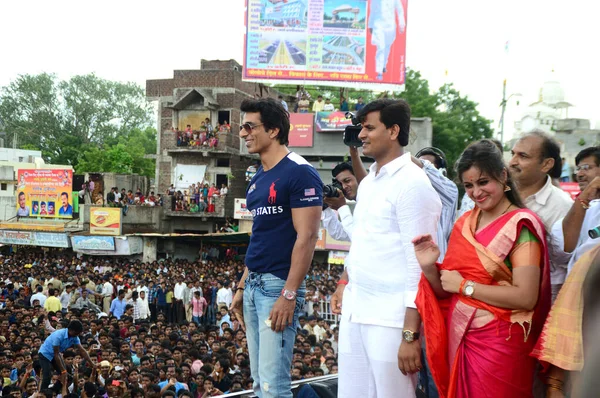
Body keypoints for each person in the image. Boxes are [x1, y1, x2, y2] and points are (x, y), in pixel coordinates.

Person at [413, 139, 551, 398]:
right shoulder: (465, 223)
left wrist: (466, 287)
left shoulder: (521, 226)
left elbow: (526, 296)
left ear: (502, 175)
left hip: (502, 346)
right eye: (469, 186)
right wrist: (429, 267)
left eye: (483, 182)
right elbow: (446, 291)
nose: (476, 192)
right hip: (461, 339)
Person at [336, 99, 442, 397]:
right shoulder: (369, 182)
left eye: (370, 127)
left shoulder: (413, 184)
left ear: (394, 131)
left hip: (390, 320)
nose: (362, 135)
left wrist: (409, 335)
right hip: (356, 311)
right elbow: (363, 243)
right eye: (361, 128)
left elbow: (417, 264)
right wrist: (344, 282)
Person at [231, 97, 322, 397]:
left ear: (272, 130)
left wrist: (289, 294)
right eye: (241, 127)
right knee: (260, 383)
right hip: (254, 286)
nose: (242, 133)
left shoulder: (300, 172)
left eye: (249, 126)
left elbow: (307, 237)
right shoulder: (257, 178)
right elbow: (260, 236)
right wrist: (242, 287)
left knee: (274, 387)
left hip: (278, 287)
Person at [509, 130, 573, 302]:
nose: (513, 162)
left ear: (546, 165)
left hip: (542, 300)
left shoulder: (562, 205)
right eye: (513, 154)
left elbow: (563, 260)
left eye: (523, 156)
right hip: (498, 295)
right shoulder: (496, 193)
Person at [550, 146, 600, 276]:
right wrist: (586, 196)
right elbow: (560, 254)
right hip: (579, 291)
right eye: (578, 169)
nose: (579, 174)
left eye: (586, 168)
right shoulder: (587, 209)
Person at [38, 320, 95, 390]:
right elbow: (56, 354)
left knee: (68, 378)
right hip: (45, 354)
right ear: (71, 330)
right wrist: (63, 370)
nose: (77, 335)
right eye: (76, 333)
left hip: (55, 355)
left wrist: (92, 364)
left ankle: (53, 391)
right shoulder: (59, 335)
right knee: (47, 376)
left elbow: (82, 351)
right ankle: (42, 394)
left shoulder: (75, 337)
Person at [369, 0, 406, 80]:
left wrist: (401, 23)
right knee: (381, 47)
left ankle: (383, 66)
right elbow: (372, 11)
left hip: (390, 26)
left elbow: (400, 10)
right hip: (378, 25)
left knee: (387, 47)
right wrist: (370, 25)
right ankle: (379, 72)